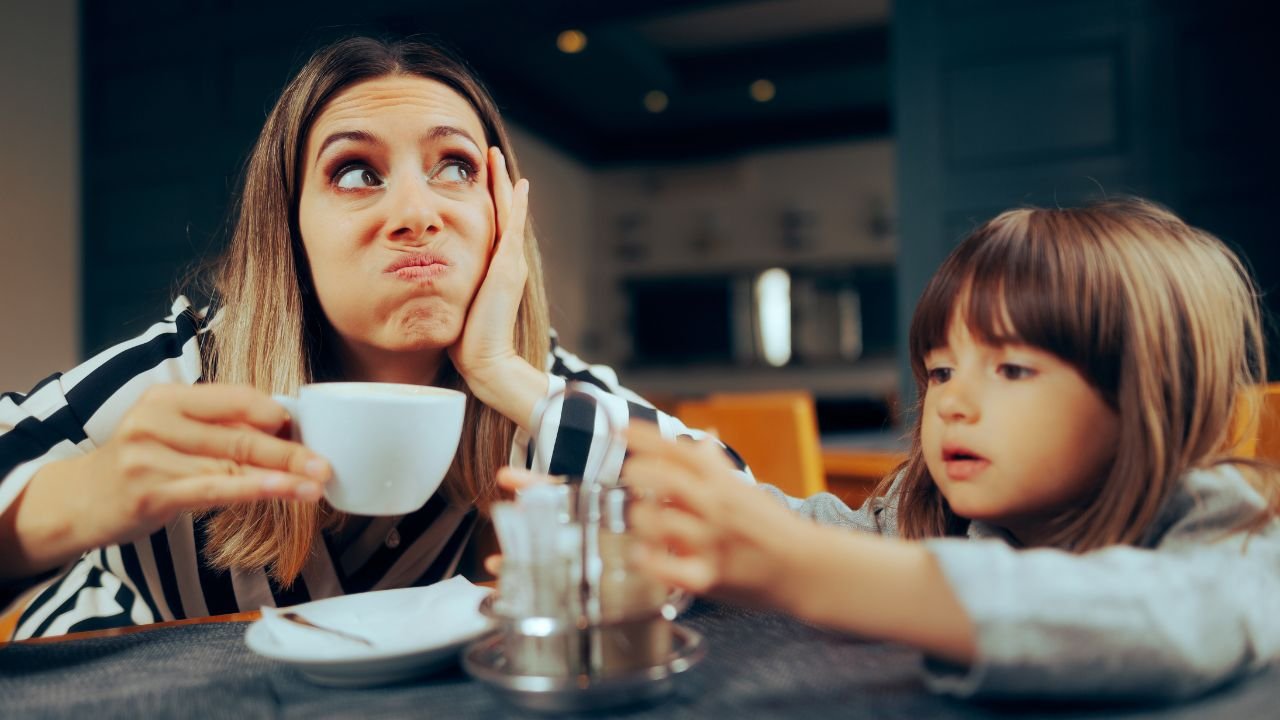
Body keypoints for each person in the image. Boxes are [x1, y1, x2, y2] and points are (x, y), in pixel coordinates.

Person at [0, 36, 745, 640]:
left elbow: (750, 532)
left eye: (455, 166)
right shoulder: (186, 373)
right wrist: (78, 497)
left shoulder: (533, 389)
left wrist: (499, 368)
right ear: (288, 231)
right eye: (356, 173)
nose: (417, 213)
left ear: (502, 219)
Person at [617, 198, 1280, 699]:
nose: (953, 403)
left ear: (1152, 392)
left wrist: (807, 572)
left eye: (1012, 369)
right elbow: (809, 531)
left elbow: (1174, 617)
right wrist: (656, 504)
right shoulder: (930, 508)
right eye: (940, 371)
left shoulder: (1228, 523)